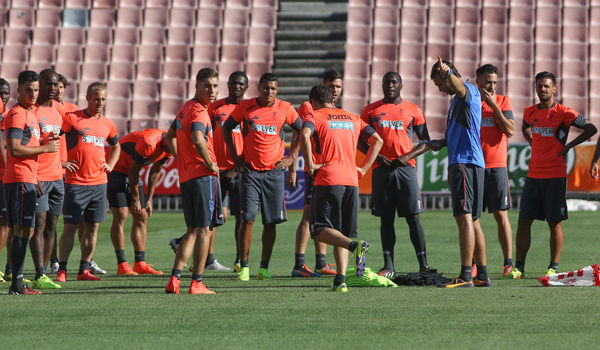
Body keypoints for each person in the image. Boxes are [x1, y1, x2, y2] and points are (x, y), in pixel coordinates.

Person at [505, 71, 597, 279]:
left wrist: (569, 147)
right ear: (535, 88)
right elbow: (524, 127)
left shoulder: (564, 112)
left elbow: (591, 128)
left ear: (554, 89)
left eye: (546, 86)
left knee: (554, 222)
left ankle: (553, 267)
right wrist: (533, 143)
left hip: (556, 175)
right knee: (523, 221)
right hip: (533, 175)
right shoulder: (530, 111)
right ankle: (519, 267)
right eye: (539, 86)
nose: (542, 89)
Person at [299, 84, 382, 291]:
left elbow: (304, 135)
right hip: (351, 180)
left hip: (328, 178)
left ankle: (355, 246)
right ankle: (340, 281)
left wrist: (309, 164)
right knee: (341, 233)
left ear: (313, 102)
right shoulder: (352, 117)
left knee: (318, 230)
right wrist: (363, 169)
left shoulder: (315, 116)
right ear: (332, 99)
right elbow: (377, 140)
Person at [221, 73, 301, 281]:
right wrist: (236, 158)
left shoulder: (285, 107)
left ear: (277, 90)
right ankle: (244, 265)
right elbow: (226, 127)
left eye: (273, 89)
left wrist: (292, 157)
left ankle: (264, 268)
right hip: (251, 173)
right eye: (266, 88)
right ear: (259, 87)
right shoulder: (246, 106)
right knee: (247, 219)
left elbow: (302, 128)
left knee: (271, 222)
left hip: (274, 173)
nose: (270, 92)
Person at [360, 72, 432, 278]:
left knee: (413, 217)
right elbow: (359, 139)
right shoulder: (371, 110)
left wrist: (408, 155)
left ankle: (424, 265)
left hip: (406, 168)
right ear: (382, 86)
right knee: (386, 218)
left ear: (401, 85)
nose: (390, 85)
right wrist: (376, 157)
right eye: (386, 82)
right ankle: (389, 266)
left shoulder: (413, 109)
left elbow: (426, 141)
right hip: (381, 169)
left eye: (394, 82)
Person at [428, 57, 490, 288]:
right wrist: (442, 143)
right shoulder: (457, 101)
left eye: (440, 84)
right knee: (472, 220)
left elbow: (457, 87)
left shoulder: (467, 91)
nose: (441, 89)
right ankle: (482, 275)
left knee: (464, 219)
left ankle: (466, 276)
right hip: (466, 162)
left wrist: (447, 75)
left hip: (465, 163)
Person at [164, 68, 224, 294]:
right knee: (204, 231)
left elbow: (169, 136)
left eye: (215, 86)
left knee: (191, 231)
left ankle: (174, 279)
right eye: (207, 86)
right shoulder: (199, 111)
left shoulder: (185, 108)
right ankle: (197, 282)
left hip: (187, 177)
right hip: (202, 177)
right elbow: (199, 138)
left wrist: (181, 159)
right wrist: (209, 163)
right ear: (197, 86)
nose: (212, 90)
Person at [54, 82, 120, 282]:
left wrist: (111, 164)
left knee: (92, 228)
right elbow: (53, 140)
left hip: (99, 183)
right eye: (96, 98)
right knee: (70, 227)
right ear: (88, 98)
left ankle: (84, 270)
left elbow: (116, 146)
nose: (100, 102)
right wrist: (61, 162)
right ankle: (62, 270)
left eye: (103, 99)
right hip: (76, 182)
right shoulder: (73, 119)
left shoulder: (108, 123)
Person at [5, 70, 60, 294]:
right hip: (19, 178)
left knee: (24, 231)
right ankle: (17, 285)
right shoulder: (18, 114)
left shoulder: (30, 114)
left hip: (27, 178)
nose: (34, 94)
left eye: (36, 89)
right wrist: (45, 148)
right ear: (19, 90)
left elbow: (28, 144)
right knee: (21, 231)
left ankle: (18, 283)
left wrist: (45, 141)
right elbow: (15, 148)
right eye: (29, 89)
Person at [289, 69, 343, 277]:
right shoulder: (308, 107)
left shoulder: (334, 111)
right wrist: (292, 167)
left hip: (327, 172)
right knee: (307, 215)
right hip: (313, 170)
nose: (334, 90)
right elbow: (298, 136)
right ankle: (299, 264)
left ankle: (321, 263)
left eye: (338, 86)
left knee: (322, 217)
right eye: (331, 86)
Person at [107, 129, 172, 275]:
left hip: (132, 172)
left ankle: (140, 264)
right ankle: (121, 265)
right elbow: (133, 172)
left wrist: (149, 199)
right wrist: (135, 199)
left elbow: (156, 170)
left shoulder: (170, 146)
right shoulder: (149, 142)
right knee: (121, 215)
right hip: (116, 170)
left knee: (142, 215)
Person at [474, 64, 516, 277]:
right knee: (473, 217)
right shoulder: (470, 101)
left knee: (501, 214)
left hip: (497, 166)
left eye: (494, 82)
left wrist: (494, 106)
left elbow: (509, 130)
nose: (491, 86)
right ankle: (473, 263)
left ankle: (508, 263)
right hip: (474, 166)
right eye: (487, 82)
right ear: (478, 81)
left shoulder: (503, 101)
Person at [30, 69, 65, 289]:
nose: (52, 89)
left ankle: (44, 273)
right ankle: (38, 272)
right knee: (39, 225)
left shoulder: (58, 110)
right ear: (39, 84)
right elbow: (29, 146)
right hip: (39, 176)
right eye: (48, 84)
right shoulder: (32, 111)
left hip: (57, 177)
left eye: (55, 85)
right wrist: (34, 175)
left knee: (52, 224)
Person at [0, 79, 10, 282]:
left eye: (6, 93)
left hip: (6, 176)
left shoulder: (11, 115)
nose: (3, 97)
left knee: (8, 223)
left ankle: (10, 269)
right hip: (4, 175)